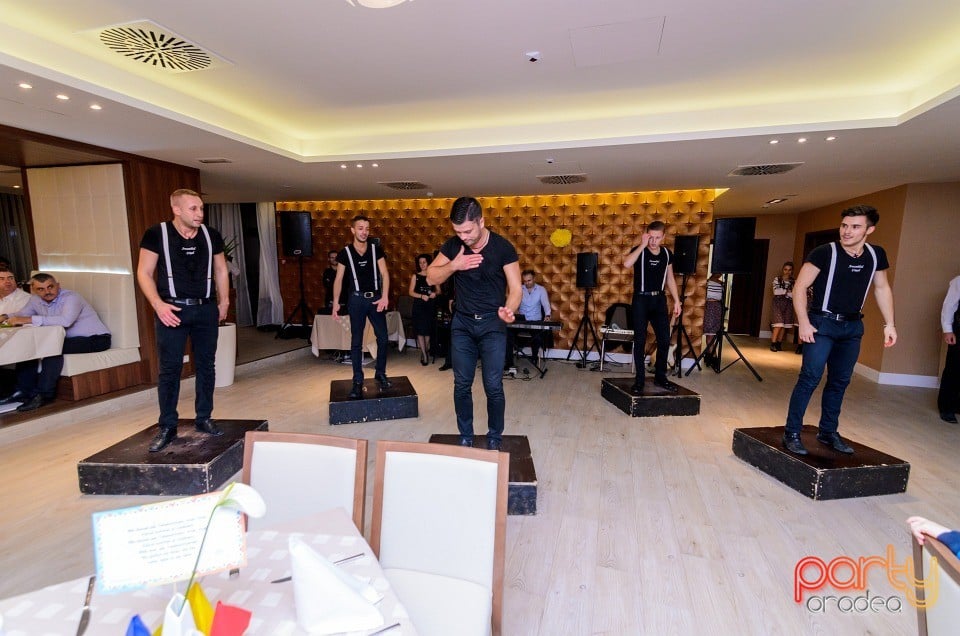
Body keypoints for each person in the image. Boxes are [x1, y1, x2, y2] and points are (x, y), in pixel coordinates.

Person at [782, 205, 896, 456]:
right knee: (810, 378)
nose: (847, 231)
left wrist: (890, 324)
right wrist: (804, 322)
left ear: (869, 230)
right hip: (822, 324)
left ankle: (828, 431)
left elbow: (882, 288)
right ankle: (792, 432)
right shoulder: (824, 252)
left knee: (840, 381)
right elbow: (800, 287)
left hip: (852, 326)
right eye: (844, 225)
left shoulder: (876, 255)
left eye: (855, 227)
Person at [137, 188, 230, 452]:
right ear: (176, 209)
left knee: (206, 365)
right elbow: (144, 272)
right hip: (172, 310)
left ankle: (204, 418)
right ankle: (167, 426)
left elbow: (221, 269)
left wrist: (224, 301)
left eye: (201, 208)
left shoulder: (211, 235)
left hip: (205, 308)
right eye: (193, 209)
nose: (199, 213)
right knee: (170, 368)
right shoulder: (157, 234)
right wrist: (158, 305)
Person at [427, 196, 521, 451]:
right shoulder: (453, 246)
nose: (463, 237)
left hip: (493, 324)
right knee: (461, 384)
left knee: (493, 386)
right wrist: (454, 265)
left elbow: (515, 289)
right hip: (463, 325)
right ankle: (466, 435)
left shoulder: (503, 248)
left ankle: (494, 437)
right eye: (458, 231)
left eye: (467, 231)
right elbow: (431, 276)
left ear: (481, 221)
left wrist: (509, 310)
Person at [0, 273, 111, 412]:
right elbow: (23, 313)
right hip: (67, 340)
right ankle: (23, 391)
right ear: (34, 290)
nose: (47, 292)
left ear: (58, 285)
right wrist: (5, 317)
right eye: (41, 289)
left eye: (50, 287)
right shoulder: (35, 300)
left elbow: (66, 321)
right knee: (31, 345)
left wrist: (29, 320)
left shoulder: (71, 297)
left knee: (51, 347)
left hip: (96, 339)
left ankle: (44, 395)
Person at [331, 216, 391, 399]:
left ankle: (380, 373)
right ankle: (357, 380)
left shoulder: (375, 249)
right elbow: (339, 279)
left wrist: (385, 296)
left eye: (367, 228)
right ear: (353, 230)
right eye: (360, 228)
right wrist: (335, 302)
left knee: (383, 338)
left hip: (375, 299)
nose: (364, 232)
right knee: (356, 342)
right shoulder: (345, 253)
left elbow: (385, 274)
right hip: (356, 300)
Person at [623, 221, 682, 394]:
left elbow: (670, 278)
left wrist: (677, 301)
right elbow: (626, 264)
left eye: (657, 237)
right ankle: (639, 381)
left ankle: (660, 378)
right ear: (646, 235)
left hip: (659, 300)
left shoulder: (667, 254)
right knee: (640, 340)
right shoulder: (639, 250)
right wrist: (642, 244)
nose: (654, 241)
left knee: (664, 340)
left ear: (663, 237)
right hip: (641, 300)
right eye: (651, 237)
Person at [504, 269, 552, 375]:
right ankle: (509, 362)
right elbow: (513, 303)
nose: (527, 283)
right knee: (507, 333)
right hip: (522, 321)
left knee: (537, 336)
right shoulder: (519, 289)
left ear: (534, 279)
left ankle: (534, 357)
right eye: (525, 281)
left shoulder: (541, 290)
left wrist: (548, 315)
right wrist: (514, 310)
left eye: (529, 280)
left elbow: (546, 305)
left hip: (535, 321)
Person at [408, 253, 439, 366]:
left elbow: (439, 290)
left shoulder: (433, 276)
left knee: (428, 331)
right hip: (419, 307)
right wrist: (421, 296)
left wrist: (435, 293)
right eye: (420, 263)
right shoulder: (415, 276)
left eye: (424, 262)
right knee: (420, 331)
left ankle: (424, 350)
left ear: (428, 263)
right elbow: (410, 292)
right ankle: (425, 355)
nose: (422, 264)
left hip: (430, 306)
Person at [938, 274, 960, 423]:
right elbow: (949, 305)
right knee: (954, 368)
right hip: (959, 331)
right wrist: (947, 330)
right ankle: (946, 408)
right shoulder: (959, 281)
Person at [770, 261, 795, 351]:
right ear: (782, 270)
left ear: (792, 271)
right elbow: (776, 292)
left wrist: (784, 292)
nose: (787, 272)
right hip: (777, 303)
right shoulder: (777, 279)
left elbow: (794, 294)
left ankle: (779, 343)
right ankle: (773, 343)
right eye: (785, 269)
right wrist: (787, 292)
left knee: (784, 325)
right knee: (778, 324)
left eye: (789, 270)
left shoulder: (793, 281)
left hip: (788, 304)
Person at [702, 272, 724, 369]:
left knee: (714, 334)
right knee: (710, 334)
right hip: (709, 308)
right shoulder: (706, 283)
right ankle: (713, 356)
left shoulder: (722, 284)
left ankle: (708, 356)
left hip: (718, 308)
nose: (720, 273)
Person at [320, 250, 339, 314]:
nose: (334, 259)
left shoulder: (345, 271)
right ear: (329, 259)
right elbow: (327, 285)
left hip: (344, 300)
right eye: (332, 257)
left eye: (336, 257)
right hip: (330, 299)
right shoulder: (327, 272)